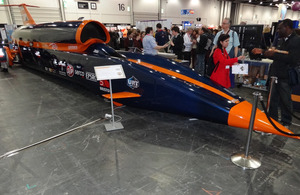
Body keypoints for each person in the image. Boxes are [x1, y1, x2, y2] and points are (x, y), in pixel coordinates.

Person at [252, 19, 300, 128]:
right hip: (275, 74)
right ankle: (272, 119)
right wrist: (263, 52)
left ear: (287, 27)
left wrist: (271, 54)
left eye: (280, 28)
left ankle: (286, 122)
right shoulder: (280, 40)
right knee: (272, 99)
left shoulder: (297, 41)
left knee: (285, 100)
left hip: (285, 76)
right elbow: (274, 53)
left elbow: (292, 59)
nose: (278, 30)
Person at [211, 18, 240, 87]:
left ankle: (228, 85)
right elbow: (215, 45)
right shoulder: (219, 33)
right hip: (220, 54)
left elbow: (236, 46)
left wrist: (235, 57)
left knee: (228, 72)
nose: (222, 25)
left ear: (228, 25)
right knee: (221, 71)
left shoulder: (233, 34)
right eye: (222, 23)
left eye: (224, 23)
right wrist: (211, 54)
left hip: (229, 54)